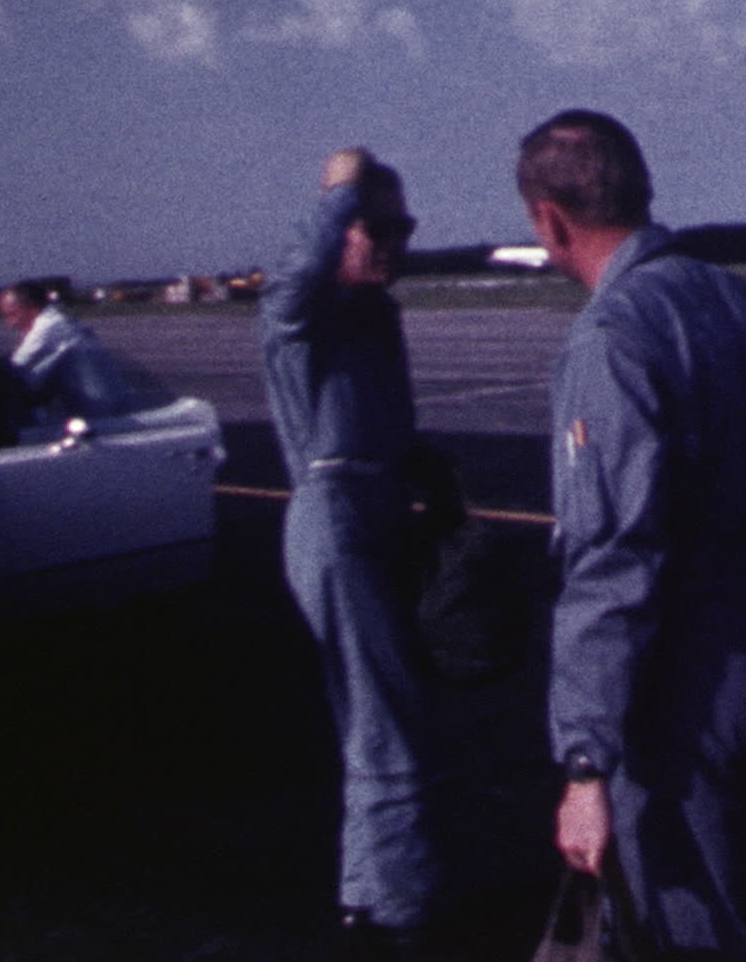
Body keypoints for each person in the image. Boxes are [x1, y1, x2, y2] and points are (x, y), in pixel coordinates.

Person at [519, 109, 746, 961]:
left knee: (696, 923)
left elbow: (613, 561)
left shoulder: (613, 339)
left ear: (550, 219)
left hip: (676, 691)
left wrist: (584, 764)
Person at [258, 146, 441, 956]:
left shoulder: (379, 315)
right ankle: (396, 909)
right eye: (379, 228)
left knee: (386, 715)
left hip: (382, 509)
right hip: (333, 517)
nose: (395, 243)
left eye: (405, 227)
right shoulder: (303, 311)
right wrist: (338, 192)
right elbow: (297, 275)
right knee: (383, 721)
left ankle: (374, 888)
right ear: (340, 233)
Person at [0, 280, 133, 423]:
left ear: (32, 308)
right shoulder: (61, 323)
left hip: (103, 420)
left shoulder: (48, 328)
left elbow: (13, 369)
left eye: (12, 315)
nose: (9, 324)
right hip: (108, 412)